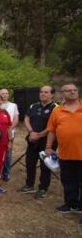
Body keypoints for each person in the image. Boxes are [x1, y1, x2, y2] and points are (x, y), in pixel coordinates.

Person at [46, 82, 82, 214]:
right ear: (63, 94)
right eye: (68, 90)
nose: (72, 92)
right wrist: (49, 147)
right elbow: (52, 131)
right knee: (68, 181)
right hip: (66, 153)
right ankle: (70, 203)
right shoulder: (57, 111)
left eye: (74, 90)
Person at [18, 86, 57, 199]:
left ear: (52, 95)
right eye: (41, 92)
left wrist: (39, 135)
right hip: (32, 139)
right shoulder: (33, 105)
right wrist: (31, 132)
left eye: (46, 92)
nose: (42, 94)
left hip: (48, 141)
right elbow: (26, 118)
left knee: (45, 166)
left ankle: (43, 188)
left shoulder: (56, 108)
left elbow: (53, 126)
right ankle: (29, 185)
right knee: (30, 163)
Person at [0, 88, 19, 181]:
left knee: (8, 153)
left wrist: (10, 128)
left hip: (10, 132)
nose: (5, 95)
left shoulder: (13, 105)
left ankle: (6, 173)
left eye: (7, 93)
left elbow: (16, 118)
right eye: (3, 93)